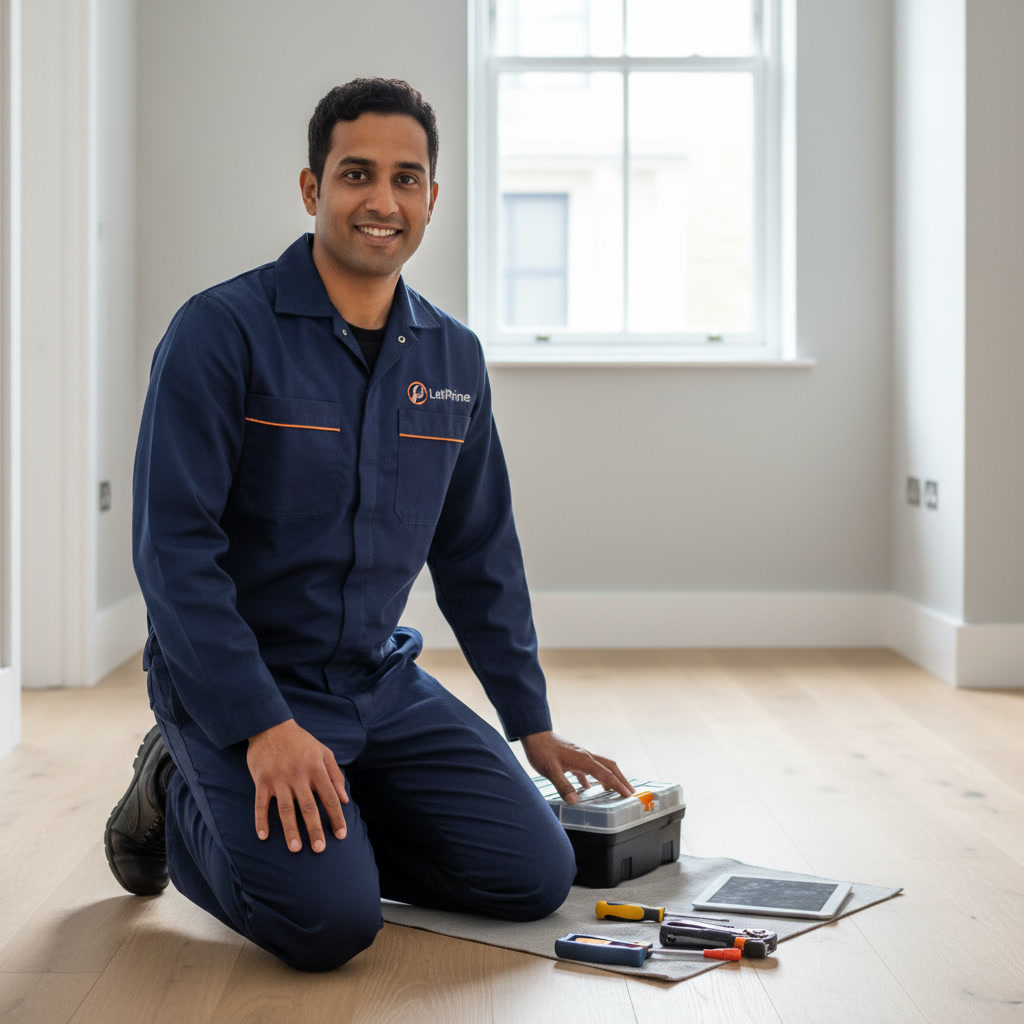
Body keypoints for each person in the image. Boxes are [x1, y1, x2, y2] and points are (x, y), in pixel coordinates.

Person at [105, 78, 632, 973]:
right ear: (313, 190)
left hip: (373, 682)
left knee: (535, 875)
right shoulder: (219, 332)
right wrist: (260, 726)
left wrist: (530, 721)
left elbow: (478, 550)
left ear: (432, 197)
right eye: (356, 174)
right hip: (242, 689)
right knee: (327, 925)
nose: (382, 201)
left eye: (407, 178)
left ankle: (334, 820)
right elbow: (173, 552)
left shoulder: (453, 358)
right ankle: (174, 780)